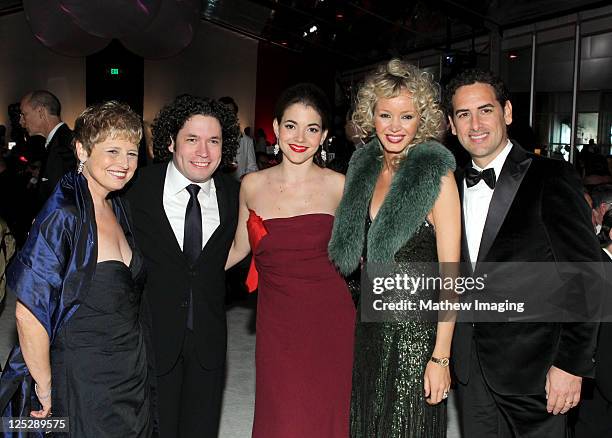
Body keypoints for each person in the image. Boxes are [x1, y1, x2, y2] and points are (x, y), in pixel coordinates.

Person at [445, 69, 601, 437]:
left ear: (508, 112)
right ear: (452, 125)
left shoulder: (551, 176)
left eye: (485, 110)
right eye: (463, 115)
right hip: (471, 370)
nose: (475, 124)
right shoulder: (448, 185)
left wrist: (570, 364)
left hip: (539, 373)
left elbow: (587, 275)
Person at [0, 101, 154, 436]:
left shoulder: (118, 206)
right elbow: (28, 311)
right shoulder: (64, 215)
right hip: (85, 376)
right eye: (112, 150)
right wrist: (44, 384)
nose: (124, 163)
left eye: (132, 153)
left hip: (128, 369)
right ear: (82, 149)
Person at [328, 59, 461, 437]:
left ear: (423, 120)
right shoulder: (364, 169)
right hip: (369, 332)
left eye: (407, 116)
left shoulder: (437, 177)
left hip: (415, 341)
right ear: (372, 116)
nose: (395, 127)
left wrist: (440, 356)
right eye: (386, 115)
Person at [226, 83, 355, 437]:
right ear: (277, 127)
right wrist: (184, 268)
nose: (300, 137)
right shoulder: (251, 185)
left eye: (312, 128)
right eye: (291, 125)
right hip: (277, 320)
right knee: (282, 414)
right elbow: (239, 247)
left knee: (326, 414)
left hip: (331, 318)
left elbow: (362, 252)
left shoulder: (340, 186)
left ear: (324, 135)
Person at [125, 94, 240, 437]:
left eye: (213, 141)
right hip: (152, 339)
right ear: (171, 141)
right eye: (192, 139)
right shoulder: (136, 190)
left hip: (209, 339)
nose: (204, 152)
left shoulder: (235, 195)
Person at [19, 90, 76, 203]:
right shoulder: (57, 142)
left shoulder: (65, 147)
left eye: (24, 114)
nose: (21, 122)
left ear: (41, 112)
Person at [218, 96, 258, 180]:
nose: (228, 115)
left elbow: (253, 168)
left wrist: (245, 177)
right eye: (224, 112)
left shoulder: (247, 141)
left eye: (231, 112)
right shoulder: (209, 138)